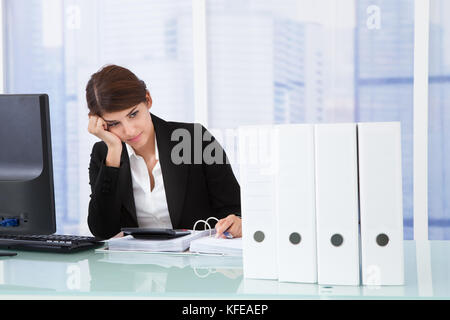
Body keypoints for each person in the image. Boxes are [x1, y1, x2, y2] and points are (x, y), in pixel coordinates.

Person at [86, 64, 241, 240]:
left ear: (148, 100)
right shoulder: (104, 155)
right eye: (114, 123)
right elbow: (103, 231)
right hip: (135, 264)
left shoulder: (194, 139)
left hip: (197, 263)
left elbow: (236, 209)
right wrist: (113, 151)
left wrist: (236, 223)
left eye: (133, 114)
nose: (129, 130)